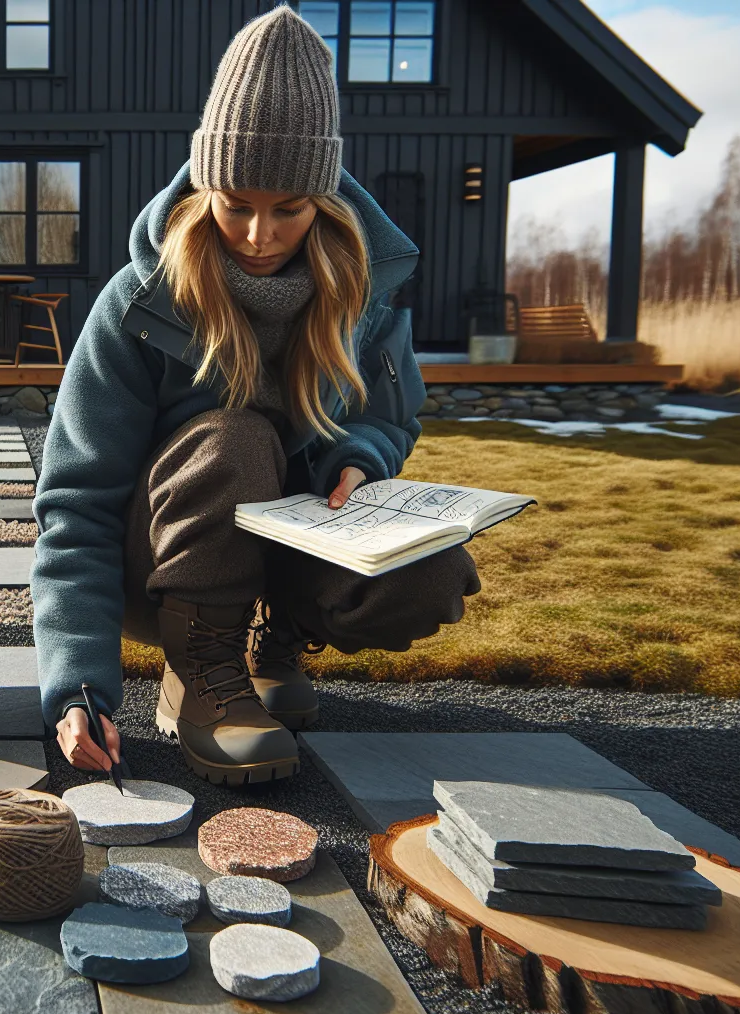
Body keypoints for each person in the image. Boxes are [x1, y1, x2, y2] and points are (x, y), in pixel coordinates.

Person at [33, 6, 482, 786]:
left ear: (324, 200)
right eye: (235, 202)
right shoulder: (140, 305)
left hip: (295, 542)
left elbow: (387, 416)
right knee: (234, 437)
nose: (257, 234)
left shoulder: (367, 297)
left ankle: (274, 644)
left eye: (288, 209)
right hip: (164, 559)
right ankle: (201, 669)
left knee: (429, 573)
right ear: (205, 186)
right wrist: (77, 685)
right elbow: (75, 501)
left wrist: (362, 458)